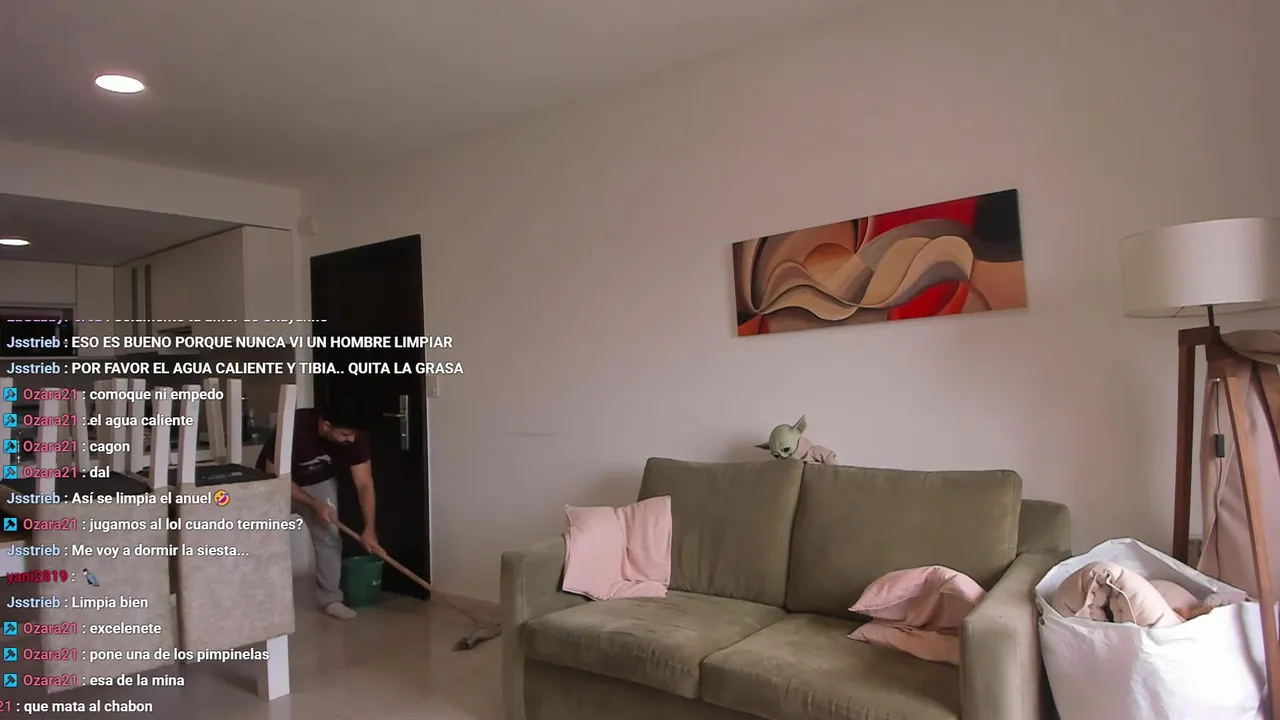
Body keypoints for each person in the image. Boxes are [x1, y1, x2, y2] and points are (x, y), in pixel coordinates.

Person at [255, 402, 381, 620]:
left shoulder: (356, 438)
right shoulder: (293, 427)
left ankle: (331, 600)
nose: (351, 440)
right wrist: (314, 504)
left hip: (319, 481)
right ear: (325, 425)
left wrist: (369, 528)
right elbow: (277, 478)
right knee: (268, 539)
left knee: (329, 536)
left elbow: (364, 484)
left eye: (353, 435)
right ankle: (263, 598)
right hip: (275, 482)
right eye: (344, 435)